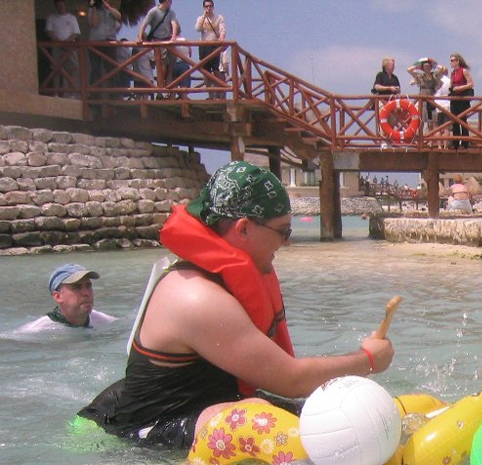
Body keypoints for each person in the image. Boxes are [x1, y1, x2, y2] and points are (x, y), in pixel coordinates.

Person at [78, 161, 395, 449]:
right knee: (262, 420)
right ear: (243, 228)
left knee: (337, 416)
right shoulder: (197, 297)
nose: (288, 242)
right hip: (152, 429)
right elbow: (291, 380)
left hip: (207, 403)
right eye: (284, 231)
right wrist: (367, 358)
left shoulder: (219, 279)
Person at [16, 264, 116, 332]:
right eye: (77, 287)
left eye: (88, 286)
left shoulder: (104, 321)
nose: (86, 293)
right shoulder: (36, 330)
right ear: (58, 296)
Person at [136, 0, 180, 88]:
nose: (171, 3)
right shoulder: (153, 11)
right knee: (161, 66)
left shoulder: (171, 12)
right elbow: (144, 24)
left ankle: (169, 88)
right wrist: (140, 37)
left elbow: (174, 24)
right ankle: (161, 88)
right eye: (170, 1)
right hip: (158, 40)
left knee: (171, 65)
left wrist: (174, 37)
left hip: (168, 40)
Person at [45, 0, 81, 98]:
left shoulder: (72, 18)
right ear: (56, 6)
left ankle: (71, 93)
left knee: (72, 69)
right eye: (58, 5)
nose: (60, 7)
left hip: (69, 48)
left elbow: (76, 33)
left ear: (65, 5)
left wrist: (66, 42)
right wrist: (59, 42)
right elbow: (49, 31)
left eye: (62, 5)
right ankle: (56, 93)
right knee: (56, 70)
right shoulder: (51, 18)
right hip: (57, 47)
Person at [87, 0, 122, 93]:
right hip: (95, 42)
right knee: (95, 69)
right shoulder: (91, 9)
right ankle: (94, 94)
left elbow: (119, 16)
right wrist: (94, 7)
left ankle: (113, 94)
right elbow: (94, 23)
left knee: (111, 69)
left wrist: (108, 7)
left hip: (109, 42)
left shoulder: (110, 10)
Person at [407, 58, 443, 128]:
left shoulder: (434, 75)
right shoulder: (420, 76)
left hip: (431, 99)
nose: (427, 68)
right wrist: (417, 65)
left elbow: (442, 69)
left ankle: (431, 137)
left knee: (432, 121)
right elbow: (409, 70)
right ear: (422, 68)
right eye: (425, 66)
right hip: (422, 100)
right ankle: (421, 136)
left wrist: (435, 64)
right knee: (421, 120)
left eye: (428, 66)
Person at [448, 53, 475, 149]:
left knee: (463, 120)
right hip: (455, 98)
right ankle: (455, 143)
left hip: (462, 98)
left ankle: (464, 143)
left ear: (457, 61)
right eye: (450, 61)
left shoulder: (463, 71)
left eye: (452, 60)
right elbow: (451, 84)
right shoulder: (452, 73)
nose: (450, 63)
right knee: (454, 120)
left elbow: (471, 84)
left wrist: (461, 87)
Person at [193, 0, 226, 78]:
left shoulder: (219, 18)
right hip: (203, 45)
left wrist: (221, 38)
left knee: (215, 69)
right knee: (205, 71)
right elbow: (197, 28)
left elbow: (222, 30)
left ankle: (219, 88)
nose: (208, 8)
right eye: (206, 6)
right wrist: (204, 17)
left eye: (210, 6)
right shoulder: (200, 18)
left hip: (214, 45)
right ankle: (209, 90)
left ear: (213, 7)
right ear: (203, 8)